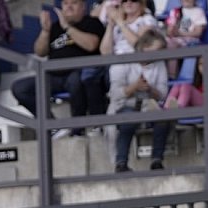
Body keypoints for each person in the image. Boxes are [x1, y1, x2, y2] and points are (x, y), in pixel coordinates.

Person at [11, 0, 104, 133]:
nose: (69, 7)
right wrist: (45, 31)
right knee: (20, 88)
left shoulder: (92, 22)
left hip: (79, 73)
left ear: (83, 7)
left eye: (74, 3)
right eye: (65, 3)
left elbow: (91, 45)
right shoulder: (55, 27)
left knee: (76, 81)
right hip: (53, 76)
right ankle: (52, 125)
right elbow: (40, 52)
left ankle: (78, 128)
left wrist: (67, 27)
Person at [107, 26, 169, 171]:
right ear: (145, 47)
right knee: (128, 120)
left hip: (148, 105)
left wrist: (150, 89)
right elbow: (114, 94)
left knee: (164, 119)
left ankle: (157, 161)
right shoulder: (123, 60)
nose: (160, 54)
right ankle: (121, 163)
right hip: (124, 105)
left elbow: (162, 94)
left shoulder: (159, 63)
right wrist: (134, 87)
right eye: (157, 49)